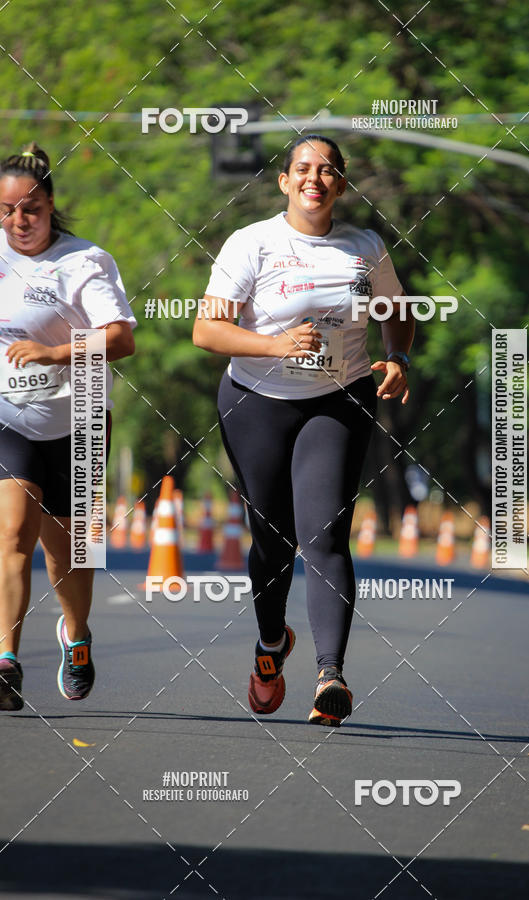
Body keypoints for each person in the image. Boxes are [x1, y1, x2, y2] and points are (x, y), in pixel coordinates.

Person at [193, 134, 414, 727]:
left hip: (338, 401)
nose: (314, 178)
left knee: (324, 534)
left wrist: (397, 359)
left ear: (340, 184)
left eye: (327, 170)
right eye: (302, 169)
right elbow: (206, 331)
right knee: (272, 539)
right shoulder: (254, 243)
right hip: (255, 401)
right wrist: (273, 345)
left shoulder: (365, 248)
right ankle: (271, 646)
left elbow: (398, 312)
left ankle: (330, 675)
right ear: (286, 182)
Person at [0, 142, 136, 711]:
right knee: (12, 535)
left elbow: (121, 339)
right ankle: (5, 659)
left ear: (51, 205)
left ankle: (76, 634)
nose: (18, 221)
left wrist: (55, 354)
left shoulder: (85, 261)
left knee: (73, 552)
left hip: (77, 416)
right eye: (5, 210)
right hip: (8, 417)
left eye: (29, 209)